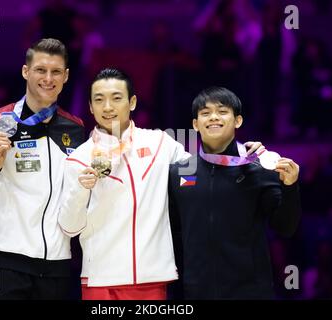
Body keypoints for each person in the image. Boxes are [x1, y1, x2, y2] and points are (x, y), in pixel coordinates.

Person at [57, 68, 262, 300]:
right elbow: (69, 227)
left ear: (132, 102)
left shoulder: (161, 143)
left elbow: (200, 172)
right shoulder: (78, 159)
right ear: (90, 107)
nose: (107, 107)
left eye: (116, 98)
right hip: (101, 281)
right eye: (99, 100)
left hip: (153, 278)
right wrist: (81, 190)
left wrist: (247, 154)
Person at [0, 38, 85, 300]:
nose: (48, 78)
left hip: (56, 264)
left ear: (66, 76)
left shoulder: (76, 128)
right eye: (40, 70)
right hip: (3, 262)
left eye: (56, 71)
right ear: (25, 72)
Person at [168, 86, 301, 299]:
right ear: (195, 124)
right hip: (196, 292)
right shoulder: (179, 172)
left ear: (237, 121)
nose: (213, 117)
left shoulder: (259, 169)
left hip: (250, 292)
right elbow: (173, 235)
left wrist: (290, 186)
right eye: (205, 113)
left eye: (222, 111)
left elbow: (285, 228)